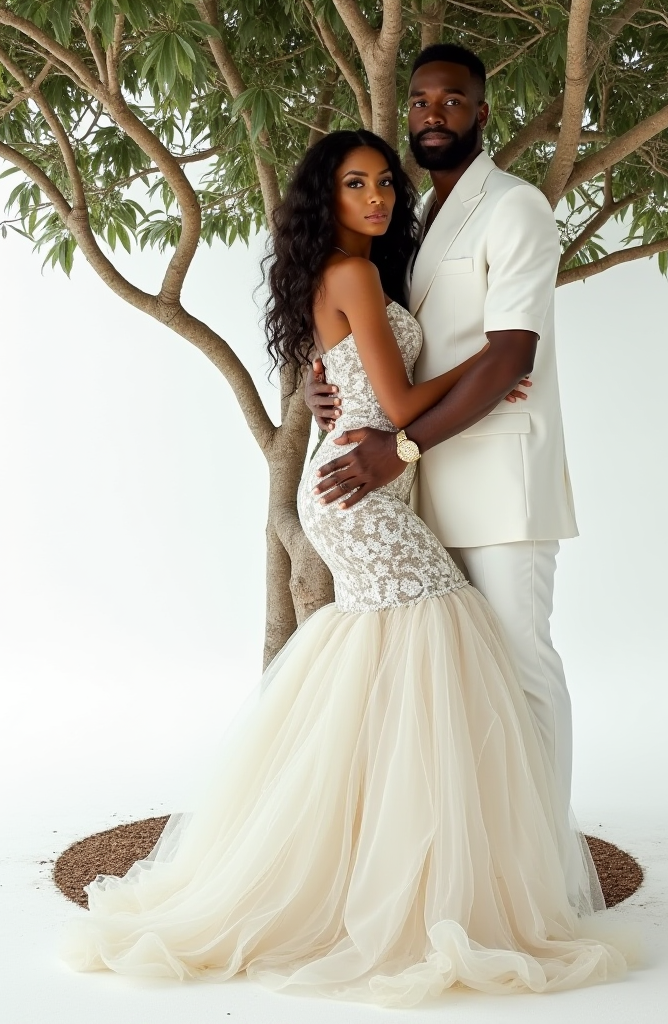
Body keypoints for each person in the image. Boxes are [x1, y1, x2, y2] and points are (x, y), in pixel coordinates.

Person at [60, 127, 625, 1005]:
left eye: (385, 185)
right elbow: (396, 403)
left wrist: (373, 387)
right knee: (443, 633)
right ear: (325, 199)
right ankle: (410, 863)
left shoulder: (354, 275)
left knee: (387, 660)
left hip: (356, 483)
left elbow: (357, 384)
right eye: (355, 185)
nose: (377, 198)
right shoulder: (356, 275)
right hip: (360, 493)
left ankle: (370, 848)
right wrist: (485, 369)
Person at [307, 44, 579, 823]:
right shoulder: (414, 220)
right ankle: (476, 851)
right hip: (415, 490)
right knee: (452, 681)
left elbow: (510, 357)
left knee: (522, 671)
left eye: (452, 101)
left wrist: (399, 448)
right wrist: (319, 380)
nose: (432, 114)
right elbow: (368, 334)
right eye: (421, 102)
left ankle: (548, 867)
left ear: (481, 114)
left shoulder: (515, 206)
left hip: (496, 484)